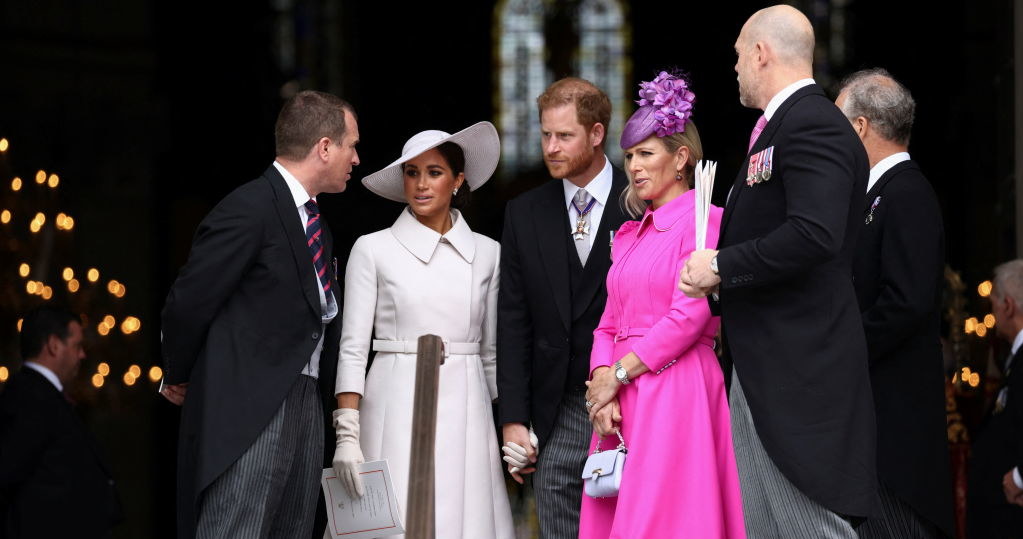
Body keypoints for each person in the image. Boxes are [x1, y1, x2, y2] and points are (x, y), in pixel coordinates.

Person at [679, 5, 878, 537]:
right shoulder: (781, 128)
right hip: (767, 364)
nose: (736, 66)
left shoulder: (813, 123)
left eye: (739, 54)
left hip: (800, 370)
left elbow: (815, 234)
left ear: (761, 53)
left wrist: (720, 266)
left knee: (810, 525)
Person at [160, 90, 358, 538]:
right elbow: (189, 299)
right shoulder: (249, 207)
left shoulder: (318, 226)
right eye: (351, 145)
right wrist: (180, 372)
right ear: (325, 147)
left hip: (306, 402)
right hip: (252, 405)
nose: (357, 157)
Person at [579, 71, 746, 538]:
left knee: (667, 519)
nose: (633, 165)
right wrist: (599, 383)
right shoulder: (630, 234)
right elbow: (607, 322)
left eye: (646, 153)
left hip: (677, 388)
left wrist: (621, 374)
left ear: (681, 158)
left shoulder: (705, 222)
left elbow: (689, 315)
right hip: (621, 393)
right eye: (629, 155)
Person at [331, 122, 513, 538]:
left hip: (468, 408)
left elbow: (490, 355)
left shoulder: (488, 254)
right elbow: (353, 348)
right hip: (390, 402)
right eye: (412, 172)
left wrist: (512, 427)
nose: (421, 184)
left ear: (458, 180)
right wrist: (347, 434)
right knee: (388, 523)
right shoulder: (372, 248)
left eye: (434, 172)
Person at [496, 77, 630, 538]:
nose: (550, 147)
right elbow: (513, 320)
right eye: (545, 134)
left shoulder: (640, 201)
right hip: (553, 412)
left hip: (627, 405)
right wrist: (514, 419)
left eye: (564, 136)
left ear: (596, 134)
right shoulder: (524, 213)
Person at [835, 68, 954, 539]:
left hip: (896, 430)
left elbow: (907, 303)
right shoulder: (875, 193)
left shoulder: (906, 192)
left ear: (860, 128)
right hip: (873, 421)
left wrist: (837, 349)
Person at [0, 306, 122, 538]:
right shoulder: (31, 398)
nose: (82, 355)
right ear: (54, 345)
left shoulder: (43, 396)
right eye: (77, 345)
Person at [968, 259, 1023, 538]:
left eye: (993, 303)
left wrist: (1019, 478)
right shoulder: (1014, 357)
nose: (992, 312)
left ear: (1008, 306)